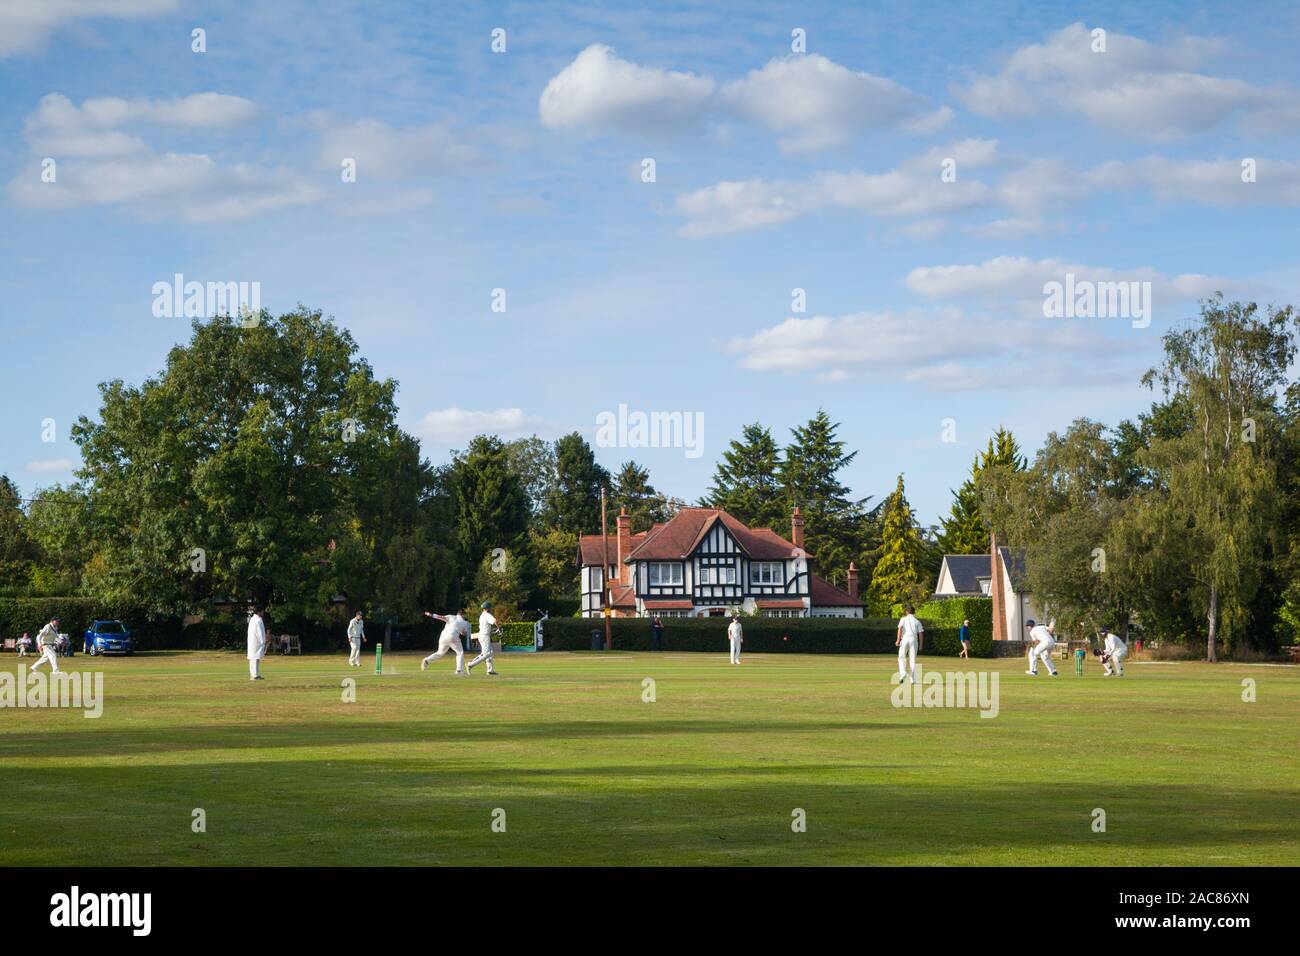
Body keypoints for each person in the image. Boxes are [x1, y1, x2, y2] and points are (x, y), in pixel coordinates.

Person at [466, 603, 499, 675]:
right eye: (490, 608)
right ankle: (470, 665)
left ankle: (490, 670)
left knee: (489, 653)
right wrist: (498, 628)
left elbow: (486, 626)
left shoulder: (482, 616)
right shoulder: (487, 615)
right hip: (485, 636)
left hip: (482, 635)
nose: (491, 609)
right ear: (488, 608)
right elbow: (495, 621)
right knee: (486, 654)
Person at [896, 605, 924, 684]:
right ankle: (913, 679)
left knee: (901, 657)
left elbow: (900, 628)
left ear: (906, 612)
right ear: (914, 612)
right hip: (913, 640)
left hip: (905, 639)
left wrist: (898, 640)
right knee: (912, 660)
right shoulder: (917, 621)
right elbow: (921, 633)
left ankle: (903, 673)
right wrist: (921, 645)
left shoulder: (903, 619)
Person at [246, 605, 267, 681]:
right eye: (262, 611)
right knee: (255, 658)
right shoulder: (258, 620)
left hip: (252, 641)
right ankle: (255, 675)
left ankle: (254, 674)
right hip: (257, 641)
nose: (263, 612)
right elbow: (260, 632)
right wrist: (263, 641)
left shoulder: (252, 619)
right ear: (259, 612)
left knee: (253, 658)